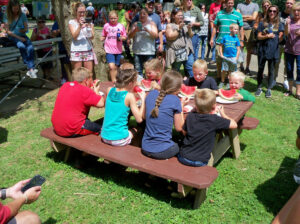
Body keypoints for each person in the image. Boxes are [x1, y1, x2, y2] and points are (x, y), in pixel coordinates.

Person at [178, 88, 237, 167]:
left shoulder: (190, 116)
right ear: (214, 106)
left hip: (183, 157)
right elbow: (234, 125)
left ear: (196, 105)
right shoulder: (215, 120)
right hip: (200, 161)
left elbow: (184, 132)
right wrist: (222, 113)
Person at [142, 70, 188, 160]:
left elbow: (144, 117)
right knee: (180, 144)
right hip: (162, 151)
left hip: (145, 147)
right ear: (178, 89)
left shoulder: (151, 94)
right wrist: (181, 106)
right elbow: (179, 128)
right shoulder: (175, 100)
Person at [51, 67, 105, 137]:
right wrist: (97, 92)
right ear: (86, 80)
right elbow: (101, 103)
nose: (92, 81)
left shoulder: (65, 85)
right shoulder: (84, 90)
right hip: (71, 129)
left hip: (57, 126)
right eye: (91, 78)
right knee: (103, 130)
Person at [101, 69, 146, 146]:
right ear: (130, 83)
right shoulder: (129, 96)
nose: (136, 84)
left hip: (105, 136)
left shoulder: (109, 90)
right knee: (138, 129)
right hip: (118, 140)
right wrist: (143, 99)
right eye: (135, 82)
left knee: (129, 127)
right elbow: (139, 119)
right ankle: (134, 153)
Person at [210, 0, 244, 82]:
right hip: (220, 41)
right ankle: (219, 77)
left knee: (231, 61)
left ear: (233, 3)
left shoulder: (238, 15)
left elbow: (241, 28)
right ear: (225, 4)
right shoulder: (220, 13)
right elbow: (215, 27)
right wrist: (212, 38)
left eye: (232, 3)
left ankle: (229, 79)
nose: (230, 4)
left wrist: (241, 40)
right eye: (228, 3)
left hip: (232, 42)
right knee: (219, 61)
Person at [255, 5, 284, 98]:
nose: (272, 13)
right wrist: (267, 36)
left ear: (277, 13)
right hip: (262, 49)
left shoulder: (279, 24)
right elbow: (258, 36)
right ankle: (259, 87)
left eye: (274, 11)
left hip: (273, 50)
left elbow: (280, 38)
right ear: (267, 12)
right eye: (270, 11)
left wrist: (280, 36)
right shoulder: (262, 23)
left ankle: (268, 89)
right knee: (260, 69)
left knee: (271, 71)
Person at [4, 0, 37, 78]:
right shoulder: (6, 16)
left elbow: (26, 28)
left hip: (22, 35)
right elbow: (8, 31)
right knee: (21, 46)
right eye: (14, 9)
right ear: (10, 8)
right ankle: (30, 68)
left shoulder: (22, 15)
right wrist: (19, 37)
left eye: (17, 8)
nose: (16, 10)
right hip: (13, 36)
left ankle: (30, 69)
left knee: (30, 47)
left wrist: (23, 30)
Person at [128, 7, 158, 78]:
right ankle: (139, 86)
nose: (142, 15)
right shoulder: (135, 24)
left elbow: (156, 36)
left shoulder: (152, 24)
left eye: (144, 14)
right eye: (141, 14)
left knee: (150, 71)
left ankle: (150, 85)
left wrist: (148, 31)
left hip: (149, 52)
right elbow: (129, 36)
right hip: (137, 52)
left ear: (147, 15)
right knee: (138, 71)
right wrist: (135, 30)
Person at [165, 8, 194, 78]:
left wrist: (189, 28)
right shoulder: (170, 25)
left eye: (182, 15)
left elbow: (191, 35)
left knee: (190, 68)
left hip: (187, 51)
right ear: (173, 16)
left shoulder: (184, 25)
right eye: (179, 15)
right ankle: (175, 85)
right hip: (176, 53)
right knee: (175, 72)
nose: (181, 17)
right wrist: (179, 29)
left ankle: (192, 83)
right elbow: (170, 36)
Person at [68, 2, 95, 72]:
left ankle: (89, 83)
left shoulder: (89, 22)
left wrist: (89, 27)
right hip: (76, 50)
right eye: (80, 12)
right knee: (77, 74)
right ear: (76, 12)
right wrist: (80, 26)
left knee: (88, 73)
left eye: (84, 12)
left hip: (87, 49)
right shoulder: (71, 22)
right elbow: (74, 37)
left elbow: (92, 37)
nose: (82, 14)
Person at [101, 10, 127, 82]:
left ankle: (117, 80)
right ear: (109, 18)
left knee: (116, 67)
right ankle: (113, 82)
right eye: (111, 18)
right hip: (109, 49)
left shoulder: (121, 26)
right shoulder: (106, 25)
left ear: (117, 18)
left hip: (118, 50)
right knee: (112, 67)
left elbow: (125, 36)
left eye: (114, 18)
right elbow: (103, 35)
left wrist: (122, 38)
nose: (113, 20)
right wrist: (100, 39)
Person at [275, 0, 295, 91]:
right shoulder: (278, 14)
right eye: (287, 3)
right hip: (278, 42)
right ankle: (274, 78)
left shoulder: (296, 16)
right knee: (276, 61)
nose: (289, 5)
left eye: (291, 3)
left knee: (288, 64)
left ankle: (286, 80)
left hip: (290, 44)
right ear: (285, 4)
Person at [237, 0, 259, 75]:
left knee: (249, 50)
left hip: (250, 30)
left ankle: (247, 67)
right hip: (240, 29)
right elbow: (237, 15)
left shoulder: (255, 5)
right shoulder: (239, 5)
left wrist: (242, 17)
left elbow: (254, 18)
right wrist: (249, 17)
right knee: (240, 49)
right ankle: (241, 66)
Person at [284, 2, 300, 99]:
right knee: (289, 69)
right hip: (289, 50)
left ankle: (298, 92)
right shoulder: (290, 20)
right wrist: (287, 25)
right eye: (295, 10)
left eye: (298, 10)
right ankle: (290, 90)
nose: (296, 12)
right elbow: (286, 33)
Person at [218, 23, 241, 89]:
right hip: (225, 57)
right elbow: (220, 46)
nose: (237, 31)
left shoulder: (236, 39)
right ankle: (222, 81)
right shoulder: (225, 37)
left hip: (233, 57)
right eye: (235, 29)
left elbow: (238, 49)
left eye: (237, 29)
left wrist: (236, 57)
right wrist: (221, 54)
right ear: (231, 29)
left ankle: (229, 82)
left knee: (231, 71)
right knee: (224, 70)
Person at [51, 20, 72, 84]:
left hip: (73, 48)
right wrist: (61, 30)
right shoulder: (57, 22)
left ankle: (72, 79)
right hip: (62, 47)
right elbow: (53, 33)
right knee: (64, 64)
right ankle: (64, 78)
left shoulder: (71, 20)